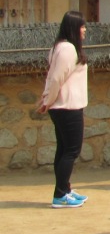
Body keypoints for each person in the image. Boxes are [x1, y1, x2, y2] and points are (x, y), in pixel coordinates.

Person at [37, 11, 89, 208]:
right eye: (82, 26)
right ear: (74, 28)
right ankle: (60, 195)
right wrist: (47, 100)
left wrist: (47, 100)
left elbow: (52, 76)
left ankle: (64, 189)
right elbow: (57, 78)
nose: (84, 30)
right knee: (71, 151)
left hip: (62, 106)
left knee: (64, 149)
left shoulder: (60, 47)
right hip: (67, 106)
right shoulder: (67, 49)